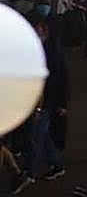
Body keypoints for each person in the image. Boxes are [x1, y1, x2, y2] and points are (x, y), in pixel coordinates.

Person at [23, 13, 69, 181]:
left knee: (36, 136)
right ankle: (56, 164)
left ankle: (29, 172)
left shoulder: (53, 51)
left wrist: (62, 103)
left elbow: (61, 78)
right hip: (39, 98)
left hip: (46, 99)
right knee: (42, 135)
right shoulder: (43, 47)